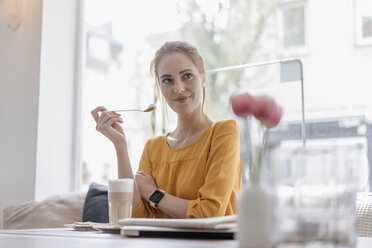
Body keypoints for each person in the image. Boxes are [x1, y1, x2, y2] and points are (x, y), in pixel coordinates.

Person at [91, 41, 242, 218]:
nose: (178, 88)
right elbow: (137, 218)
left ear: (203, 77)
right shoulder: (153, 148)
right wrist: (120, 145)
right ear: (160, 87)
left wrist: (154, 194)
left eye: (187, 76)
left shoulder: (224, 133)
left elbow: (208, 213)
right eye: (167, 80)